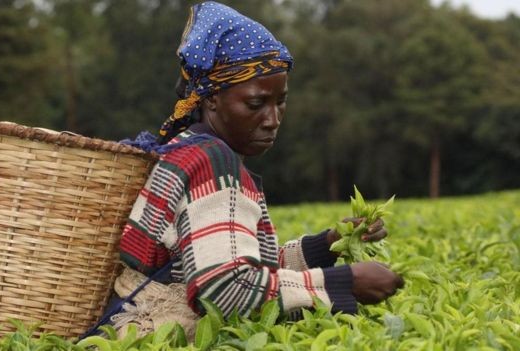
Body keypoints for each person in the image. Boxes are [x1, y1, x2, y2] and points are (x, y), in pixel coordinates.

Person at [107, 1, 404, 337]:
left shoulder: (185, 151)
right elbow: (227, 291)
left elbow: (228, 261)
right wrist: (344, 283)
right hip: (156, 337)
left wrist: (328, 244)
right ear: (211, 100)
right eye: (255, 104)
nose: (273, 120)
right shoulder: (211, 162)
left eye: (280, 102)